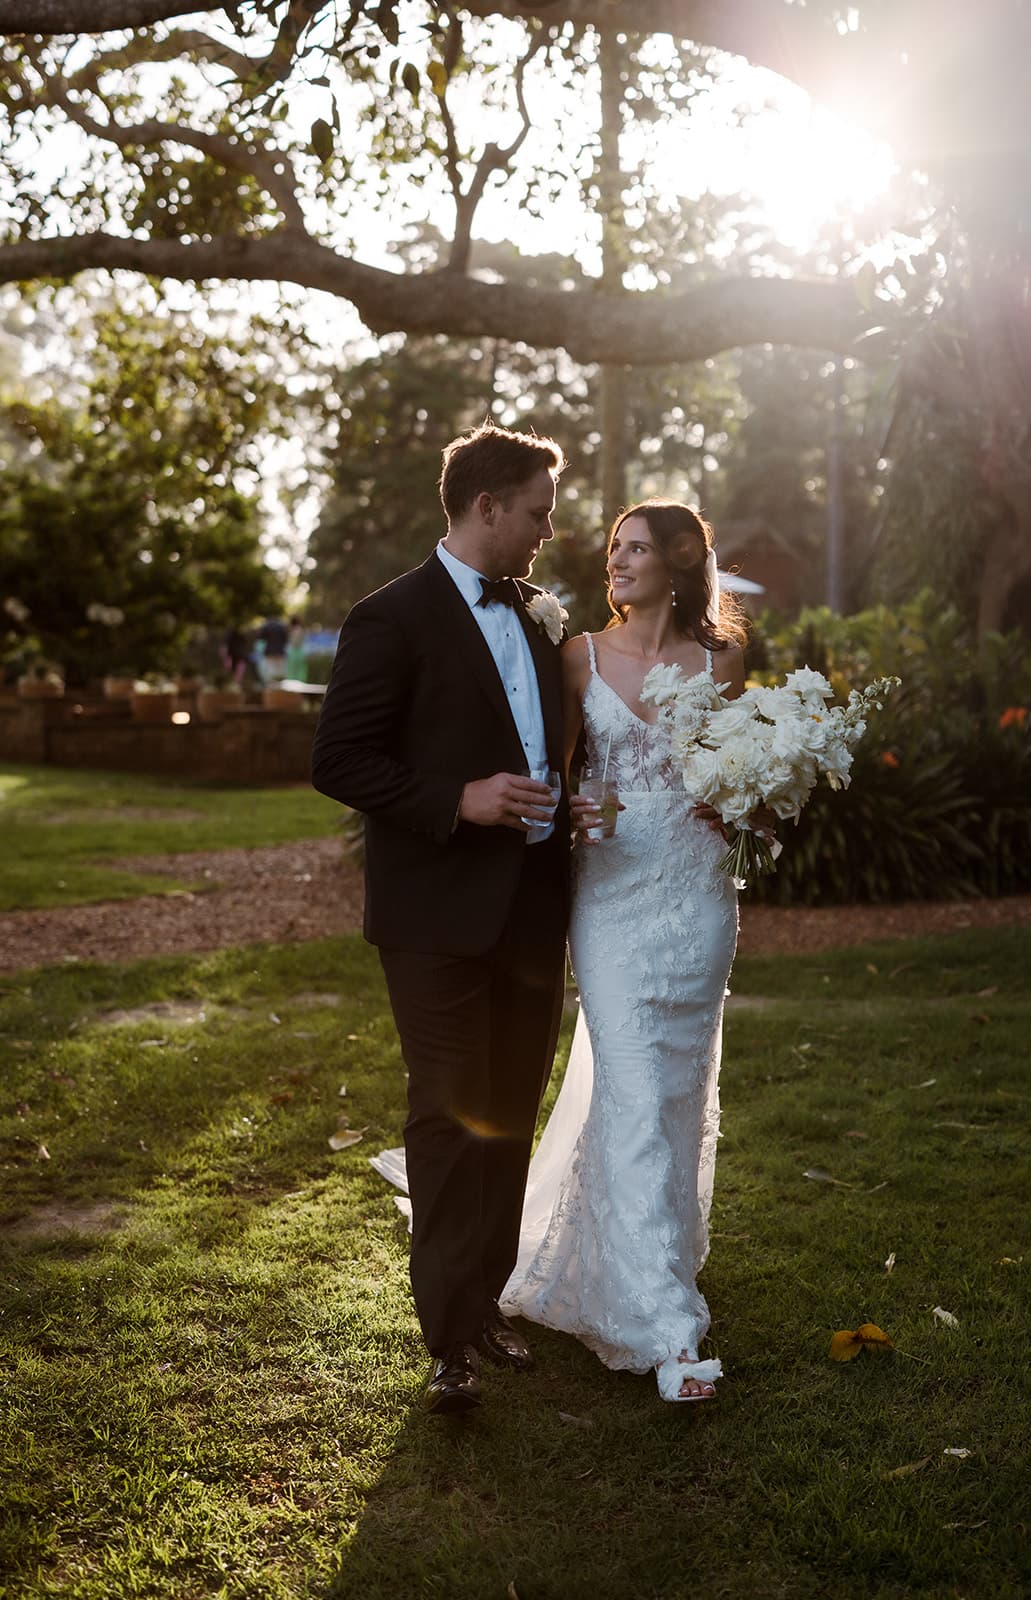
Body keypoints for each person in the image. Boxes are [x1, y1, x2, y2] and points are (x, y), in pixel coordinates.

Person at [311, 422, 571, 1416]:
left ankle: (486, 1300)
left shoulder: (542, 617)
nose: (547, 532)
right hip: (434, 916)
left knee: (507, 1114)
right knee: (447, 1114)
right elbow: (337, 760)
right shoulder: (389, 617)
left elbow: (551, 741)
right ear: (486, 505)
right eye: (536, 513)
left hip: (534, 909)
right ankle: (446, 1337)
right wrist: (457, 798)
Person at [499, 499, 748, 1403]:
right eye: (613, 548)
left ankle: (652, 1260)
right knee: (636, 1086)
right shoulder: (577, 657)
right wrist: (570, 811)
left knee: (674, 1093)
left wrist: (744, 804)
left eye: (636, 549)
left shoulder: (723, 659)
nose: (617, 562)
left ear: (680, 563)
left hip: (696, 893)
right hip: (608, 899)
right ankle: (667, 1329)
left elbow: (735, 770)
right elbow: (553, 771)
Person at [256, 616, 289, 683]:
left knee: (271, 668)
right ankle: (281, 684)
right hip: (280, 650)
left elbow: (260, 637)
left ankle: (273, 684)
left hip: (269, 651)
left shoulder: (266, 626)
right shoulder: (281, 626)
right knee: (281, 668)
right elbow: (286, 639)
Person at [284, 615, 309, 682]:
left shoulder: (295, 630)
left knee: (293, 669)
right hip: (300, 651)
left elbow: (295, 642)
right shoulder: (300, 629)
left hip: (295, 651)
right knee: (299, 669)